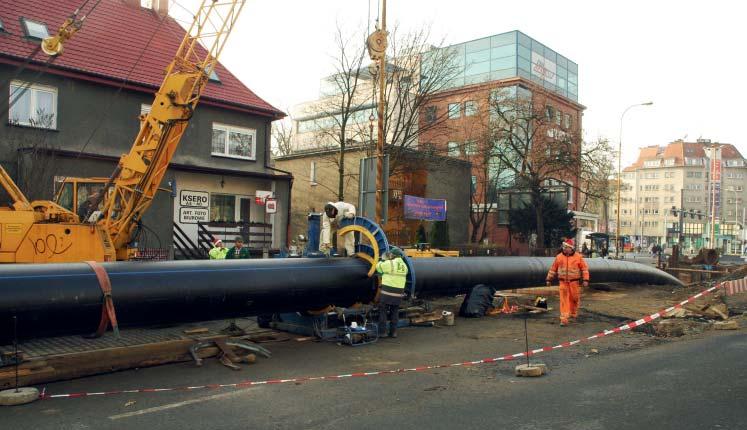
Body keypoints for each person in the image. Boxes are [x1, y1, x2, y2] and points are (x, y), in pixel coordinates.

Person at [546, 238, 590, 326]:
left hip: (574, 282)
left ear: (571, 248)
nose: (565, 249)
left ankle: (573, 313)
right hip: (563, 282)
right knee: (564, 300)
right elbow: (553, 269)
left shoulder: (578, 257)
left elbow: (584, 269)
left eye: (567, 247)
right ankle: (564, 319)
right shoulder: (559, 257)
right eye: (564, 247)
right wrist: (548, 279)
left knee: (574, 298)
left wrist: (585, 280)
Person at [376, 251, 408, 338]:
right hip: (399, 293)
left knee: (383, 310)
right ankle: (393, 332)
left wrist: (382, 260)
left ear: (392, 255)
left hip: (387, 292)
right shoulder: (404, 266)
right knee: (394, 311)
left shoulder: (389, 263)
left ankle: (382, 332)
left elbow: (378, 267)